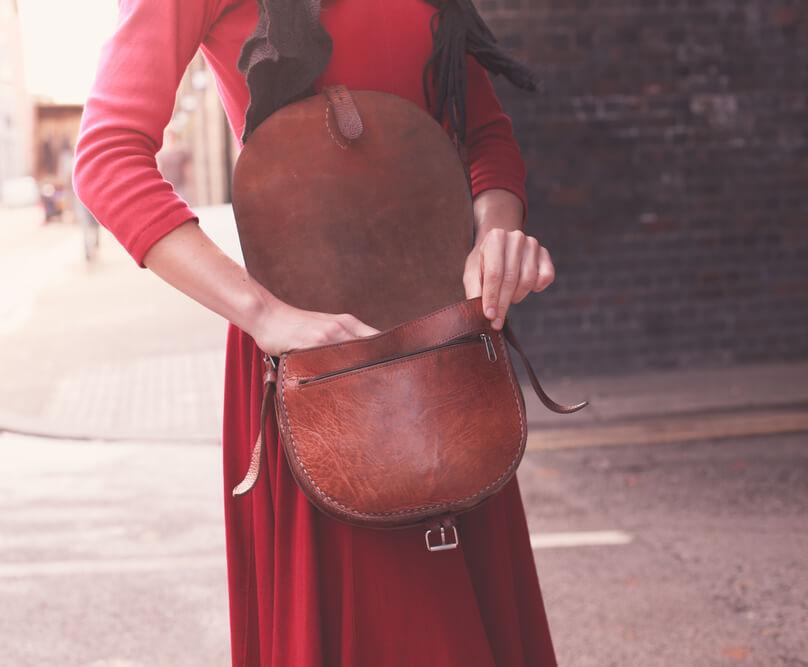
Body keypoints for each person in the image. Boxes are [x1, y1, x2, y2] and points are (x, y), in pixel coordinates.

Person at [73, 0, 560, 664]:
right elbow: (106, 156)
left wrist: (499, 233)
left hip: (444, 342)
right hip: (314, 357)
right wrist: (262, 313)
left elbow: (484, 131)